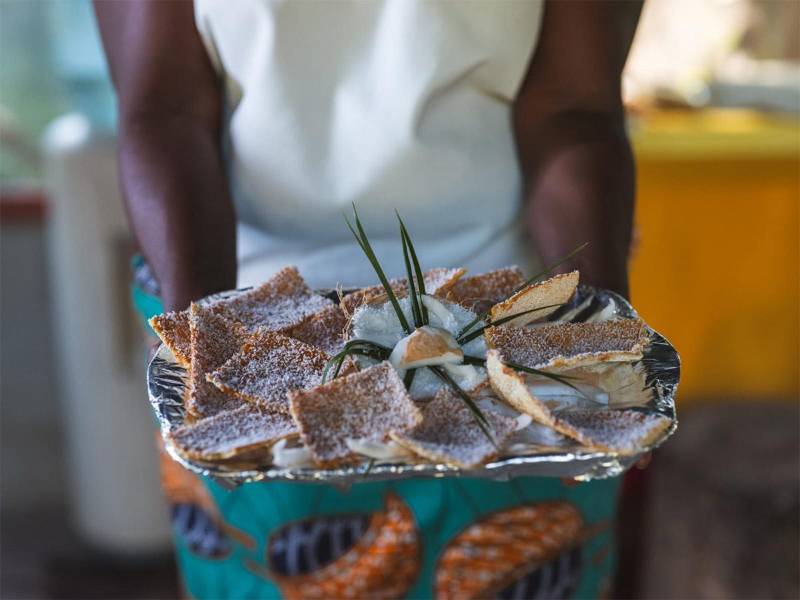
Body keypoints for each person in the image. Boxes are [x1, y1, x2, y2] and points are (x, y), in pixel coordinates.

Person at [96, 1, 643, 598]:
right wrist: (209, 351)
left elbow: (573, 109)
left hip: (508, 333)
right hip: (249, 325)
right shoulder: (228, 341)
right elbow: (167, 109)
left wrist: (597, 339)